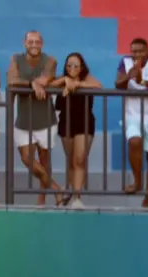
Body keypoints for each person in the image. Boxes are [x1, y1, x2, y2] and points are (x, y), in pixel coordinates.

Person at [7, 31, 63, 205]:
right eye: (30, 41)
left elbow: (45, 79)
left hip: (45, 118)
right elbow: (12, 80)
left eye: (37, 41)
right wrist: (32, 83)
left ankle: (42, 199)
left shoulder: (50, 60)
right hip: (24, 119)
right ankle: (56, 188)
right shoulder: (16, 59)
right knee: (27, 158)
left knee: (45, 160)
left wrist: (32, 82)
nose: (34, 44)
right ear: (24, 43)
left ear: (42, 43)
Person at [115, 37, 148, 207]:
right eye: (134, 51)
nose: (136, 54)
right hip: (133, 114)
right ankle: (137, 181)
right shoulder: (125, 62)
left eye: (140, 51)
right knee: (134, 141)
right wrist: (128, 77)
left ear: (147, 51)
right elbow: (118, 84)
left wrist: (142, 81)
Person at [51, 52, 99, 208]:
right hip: (66, 123)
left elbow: (98, 86)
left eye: (76, 65)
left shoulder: (87, 79)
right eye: (69, 65)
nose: (72, 68)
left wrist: (77, 85)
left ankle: (77, 197)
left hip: (84, 123)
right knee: (71, 160)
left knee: (80, 158)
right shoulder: (61, 80)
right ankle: (73, 192)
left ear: (81, 67)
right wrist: (66, 81)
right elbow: (49, 86)